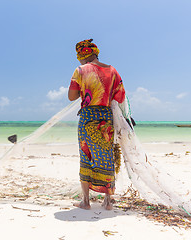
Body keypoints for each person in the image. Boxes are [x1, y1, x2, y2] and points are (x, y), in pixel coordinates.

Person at [68, 39, 125, 210]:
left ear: (82, 56)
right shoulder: (112, 70)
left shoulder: (80, 70)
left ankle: (86, 201)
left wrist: (87, 90)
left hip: (87, 118)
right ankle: (107, 201)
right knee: (106, 157)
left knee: (86, 156)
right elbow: (120, 97)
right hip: (106, 118)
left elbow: (71, 96)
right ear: (95, 52)